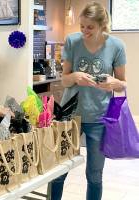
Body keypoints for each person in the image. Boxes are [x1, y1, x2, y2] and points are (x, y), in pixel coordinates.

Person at [50, 2, 127, 200]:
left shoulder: (117, 46)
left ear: (103, 25)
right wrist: (75, 76)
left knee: (94, 175)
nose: (84, 31)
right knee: (58, 171)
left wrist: (113, 83)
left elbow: (122, 84)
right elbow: (65, 80)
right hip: (70, 117)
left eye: (90, 27)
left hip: (99, 119)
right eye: (82, 26)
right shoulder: (72, 41)